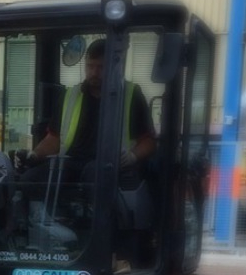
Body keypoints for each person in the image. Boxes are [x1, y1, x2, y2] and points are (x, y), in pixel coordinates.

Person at [20, 38, 156, 184]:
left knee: (93, 176)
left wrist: (132, 157)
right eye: (90, 66)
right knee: (29, 180)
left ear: (114, 66)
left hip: (108, 164)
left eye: (100, 67)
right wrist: (34, 155)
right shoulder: (70, 95)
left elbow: (149, 142)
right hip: (70, 162)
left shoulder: (131, 95)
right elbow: (53, 139)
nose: (94, 72)